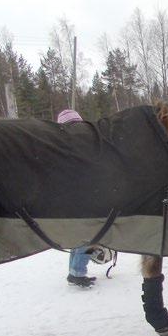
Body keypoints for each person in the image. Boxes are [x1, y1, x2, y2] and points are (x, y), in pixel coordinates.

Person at [57, 109, 96, 289]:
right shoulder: (79, 145)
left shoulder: (60, 146)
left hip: (71, 199)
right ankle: (78, 272)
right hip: (83, 197)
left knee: (80, 236)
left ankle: (75, 271)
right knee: (92, 235)